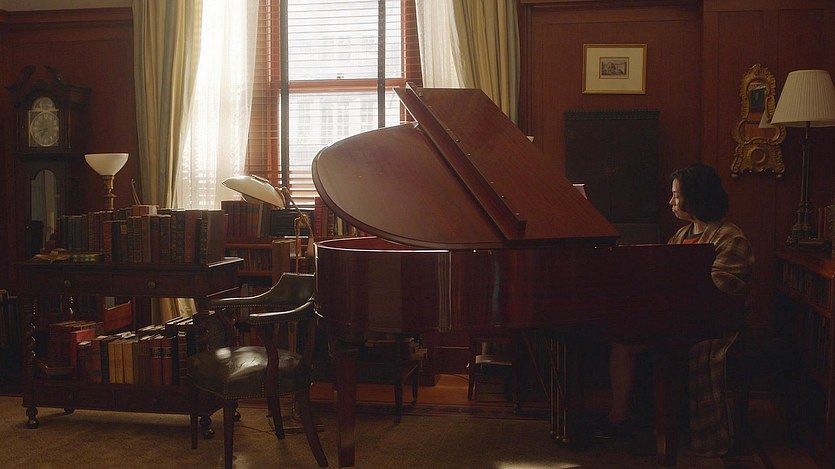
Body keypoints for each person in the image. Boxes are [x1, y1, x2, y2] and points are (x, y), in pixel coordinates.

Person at [599, 163, 755, 456]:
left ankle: (682, 430)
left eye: (676, 195)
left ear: (695, 197)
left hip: (713, 325)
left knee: (668, 345)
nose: (671, 201)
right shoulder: (681, 235)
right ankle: (620, 418)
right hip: (677, 318)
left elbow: (721, 292)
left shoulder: (730, 238)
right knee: (622, 339)